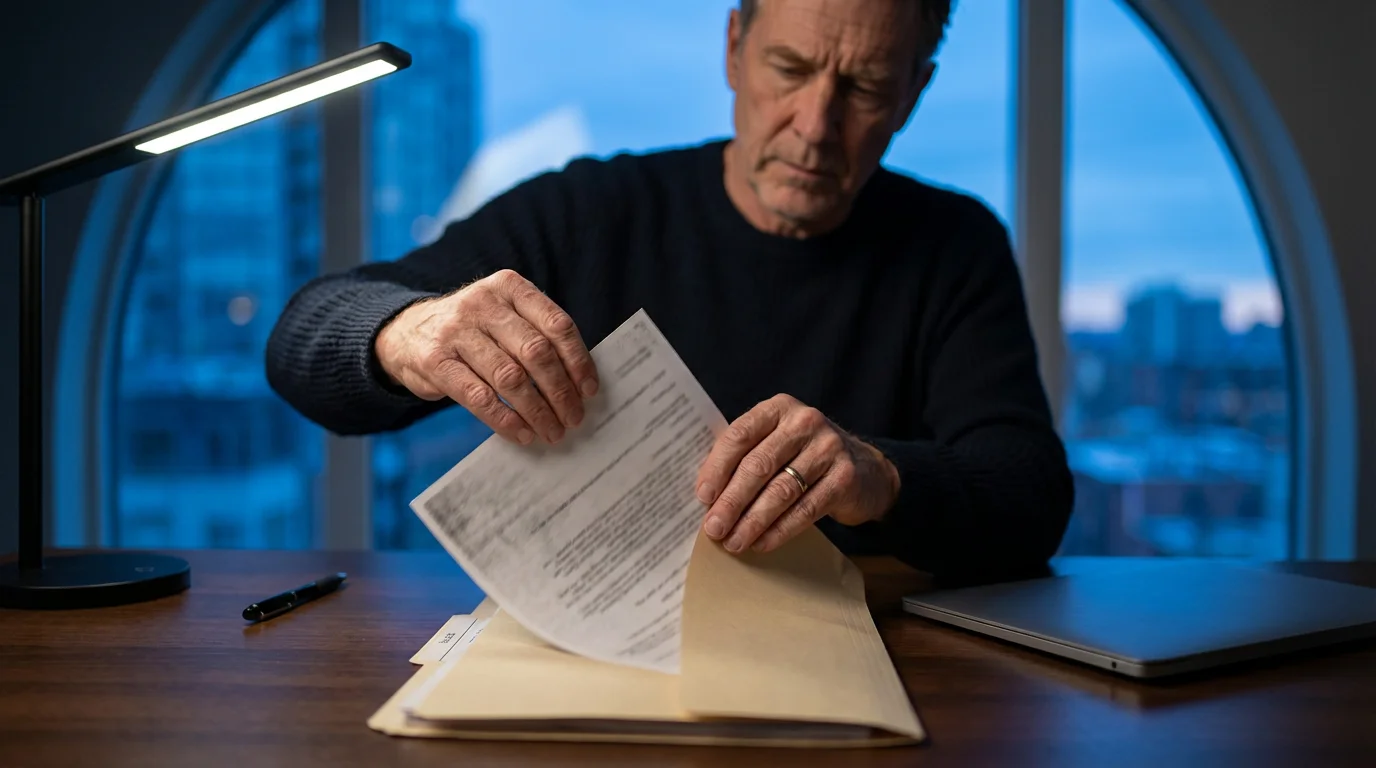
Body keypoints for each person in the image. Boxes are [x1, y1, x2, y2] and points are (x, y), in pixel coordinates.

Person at [266, 0, 1074, 576]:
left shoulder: (954, 245)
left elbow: (1030, 494)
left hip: (856, 651)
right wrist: (409, 332)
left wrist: (879, 475)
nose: (816, 124)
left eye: (863, 87)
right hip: (587, 638)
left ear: (915, 90)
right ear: (733, 47)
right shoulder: (589, 211)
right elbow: (303, 339)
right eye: (788, 69)